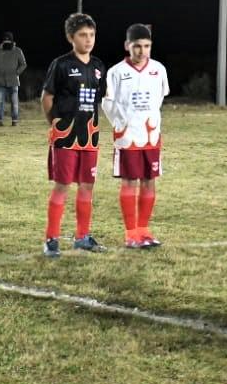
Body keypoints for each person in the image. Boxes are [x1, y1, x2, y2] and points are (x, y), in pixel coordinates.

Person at [41, 13, 108, 256]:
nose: (88, 39)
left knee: (87, 186)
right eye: (82, 35)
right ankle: (51, 239)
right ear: (71, 37)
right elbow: (47, 98)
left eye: (91, 35)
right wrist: (56, 124)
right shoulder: (60, 64)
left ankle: (82, 236)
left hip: (89, 135)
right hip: (65, 136)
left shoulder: (99, 67)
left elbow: (98, 100)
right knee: (62, 186)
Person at [102, 23, 169, 249]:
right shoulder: (116, 72)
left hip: (151, 135)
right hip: (128, 136)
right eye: (137, 46)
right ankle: (131, 233)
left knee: (149, 181)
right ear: (127, 46)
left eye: (147, 46)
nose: (142, 51)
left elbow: (160, 97)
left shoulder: (159, 69)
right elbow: (108, 103)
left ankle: (144, 230)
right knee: (130, 181)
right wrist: (123, 124)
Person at [0, 31, 27, 126]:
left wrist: (17, 73)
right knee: (0, 102)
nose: (7, 42)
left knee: (14, 102)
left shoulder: (18, 51)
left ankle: (15, 121)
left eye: (8, 40)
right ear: (3, 41)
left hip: (13, 81)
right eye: (5, 40)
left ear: (12, 41)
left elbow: (23, 64)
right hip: (0, 81)